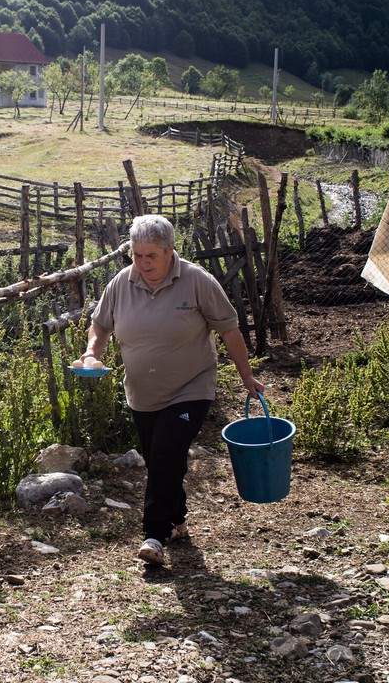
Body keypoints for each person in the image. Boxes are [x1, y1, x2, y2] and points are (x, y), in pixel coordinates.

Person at [80, 214, 263, 566]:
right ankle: (177, 520)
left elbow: (229, 331)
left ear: (170, 251)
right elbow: (100, 326)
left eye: (151, 256)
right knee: (160, 459)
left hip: (191, 387)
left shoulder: (196, 281)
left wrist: (246, 377)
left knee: (165, 451)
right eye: (137, 255)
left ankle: (154, 534)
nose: (143, 263)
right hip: (142, 392)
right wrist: (92, 353)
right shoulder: (121, 283)